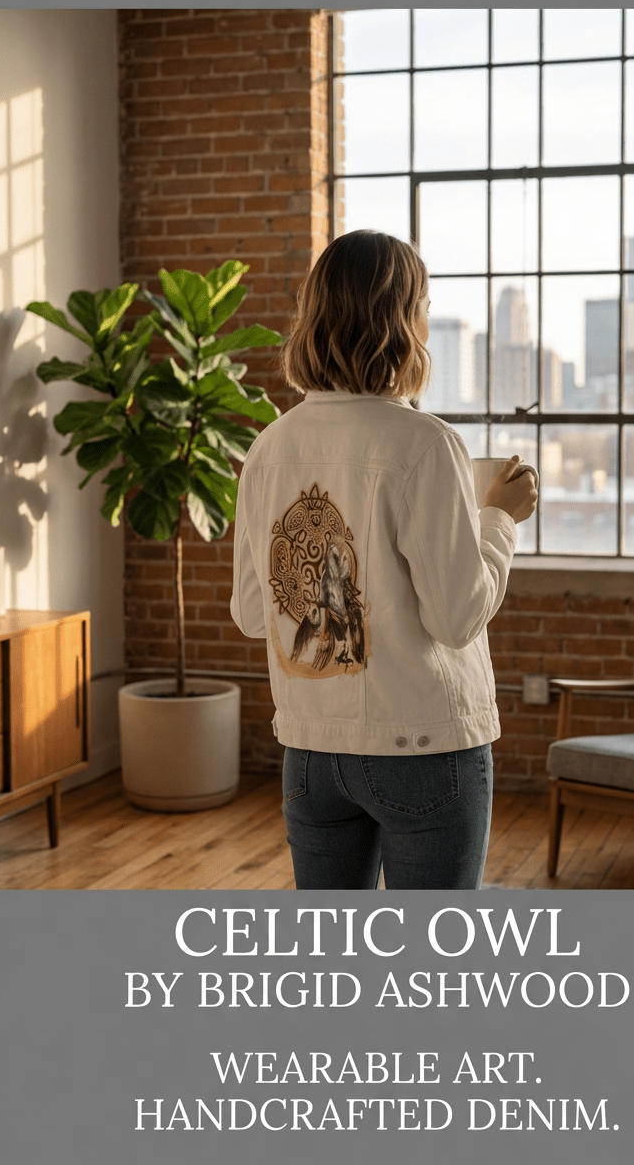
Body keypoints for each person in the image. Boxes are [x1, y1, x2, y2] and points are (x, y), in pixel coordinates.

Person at [230, 229, 538, 889]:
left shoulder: (269, 447)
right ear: (403, 319)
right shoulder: (424, 443)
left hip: (311, 751)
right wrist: (499, 519)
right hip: (422, 748)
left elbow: (255, 615)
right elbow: (457, 618)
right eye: (422, 304)